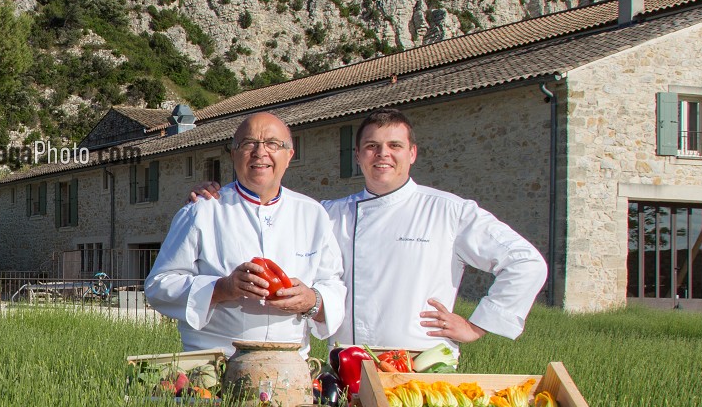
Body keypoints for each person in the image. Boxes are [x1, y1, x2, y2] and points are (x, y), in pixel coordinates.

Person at [188, 108, 546, 357]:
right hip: (346, 363)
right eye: (372, 146)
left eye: (395, 146)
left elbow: (525, 262)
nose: (382, 155)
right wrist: (221, 196)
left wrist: (477, 326)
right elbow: (269, 217)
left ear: (413, 153)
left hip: (420, 362)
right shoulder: (328, 214)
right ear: (358, 155)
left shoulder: (449, 211)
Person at [145, 112, 346, 355]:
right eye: (249, 143)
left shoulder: (313, 214)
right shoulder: (202, 211)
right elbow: (159, 285)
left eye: (273, 144)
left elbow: (333, 283)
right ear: (233, 154)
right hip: (216, 362)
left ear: (289, 155)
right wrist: (221, 288)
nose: (260, 152)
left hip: (290, 364)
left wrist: (313, 300)